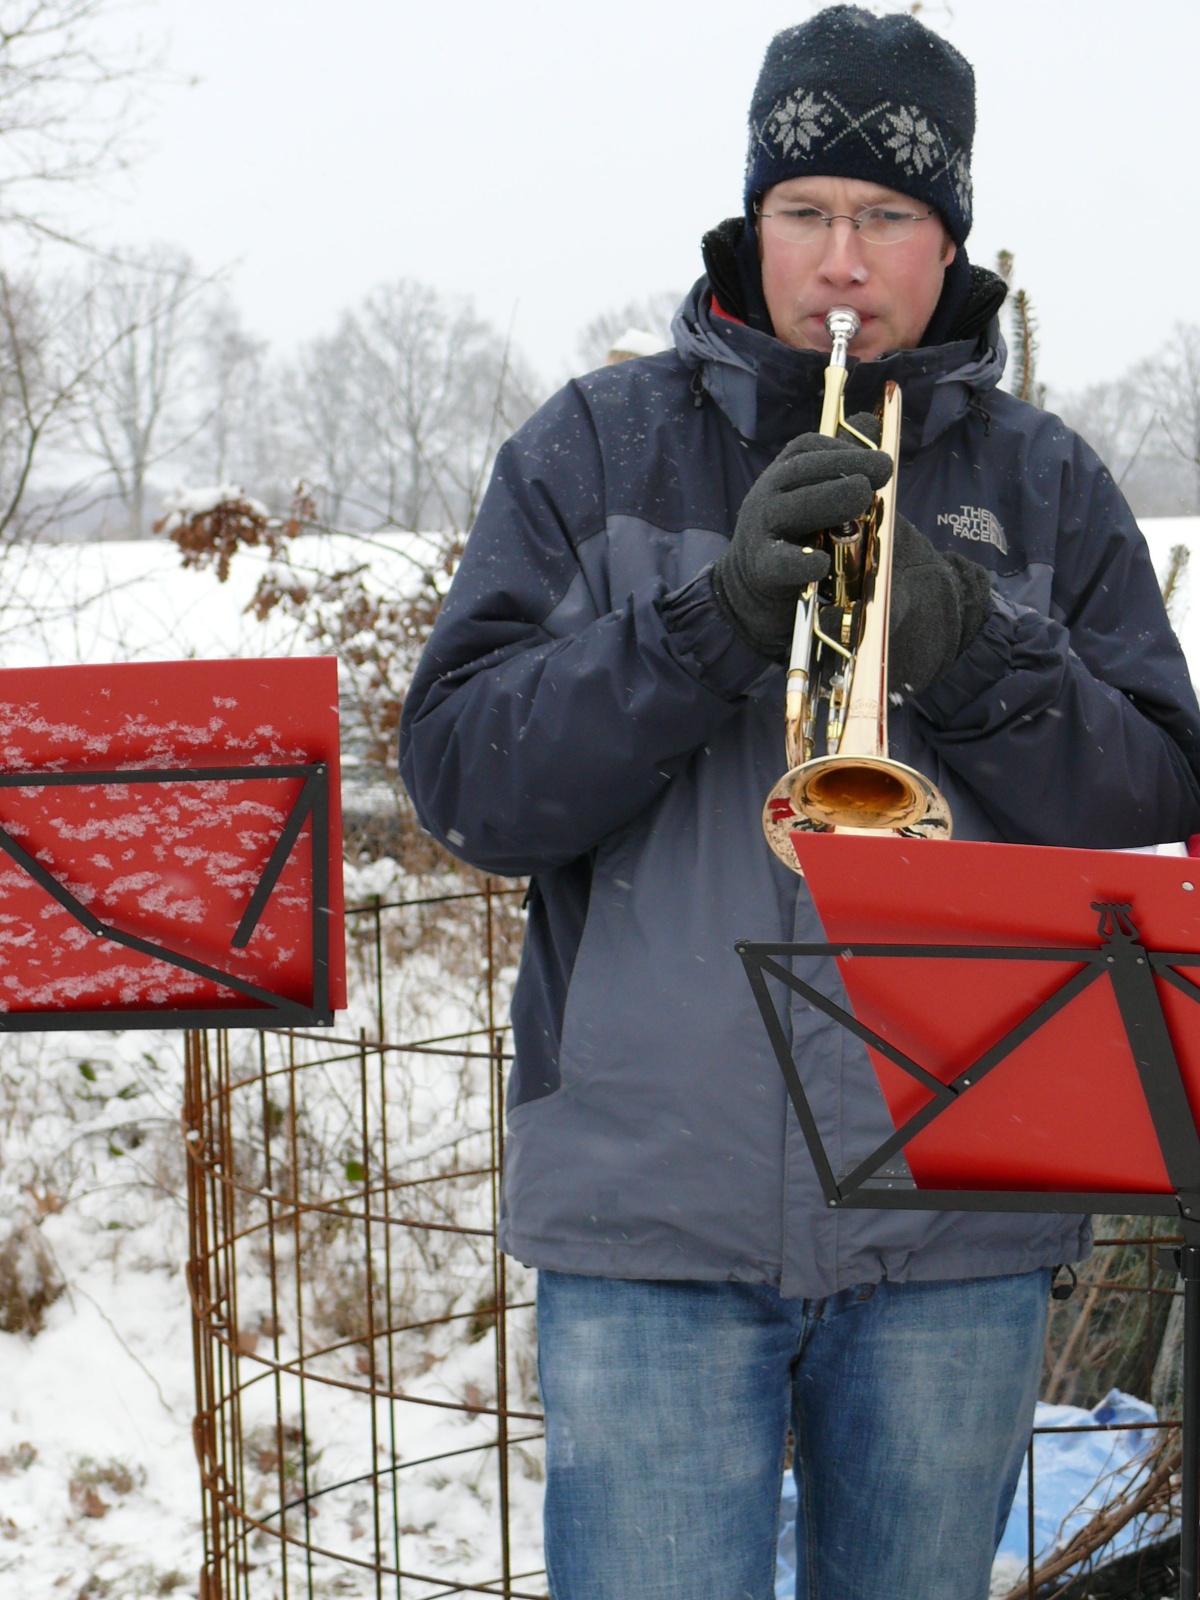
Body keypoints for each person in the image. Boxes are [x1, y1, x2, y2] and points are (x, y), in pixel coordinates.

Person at [399, 8, 1200, 1598]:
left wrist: (983, 663)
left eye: (888, 216)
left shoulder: (1044, 484)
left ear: (951, 238)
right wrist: (707, 628)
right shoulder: (590, 449)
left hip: (955, 1216)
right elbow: (469, 784)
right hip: (652, 1212)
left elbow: (1156, 787)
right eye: (807, 212)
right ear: (751, 223)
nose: (844, 260)